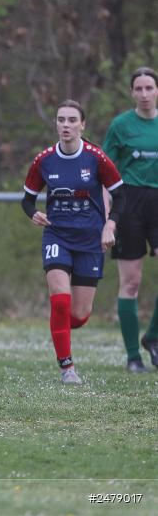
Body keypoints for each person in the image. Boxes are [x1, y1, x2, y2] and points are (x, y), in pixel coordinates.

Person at [22, 99, 125, 384]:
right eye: (60, 120)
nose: (65, 125)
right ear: (55, 124)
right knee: (60, 303)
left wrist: (110, 225)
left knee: (78, 315)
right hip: (57, 235)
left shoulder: (96, 158)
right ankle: (67, 368)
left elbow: (121, 195)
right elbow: (27, 200)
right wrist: (34, 214)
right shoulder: (44, 160)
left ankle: (60, 327)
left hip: (90, 239)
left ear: (82, 125)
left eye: (71, 120)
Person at [102, 67, 158, 372]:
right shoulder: (121, 126)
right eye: (139, 88)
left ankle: (153, 337)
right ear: (132, 92)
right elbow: (104, 173)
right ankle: (133, 356)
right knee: (132, 282)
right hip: (130, 204)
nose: (145, 94)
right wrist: (108, 216)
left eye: (150, 87)